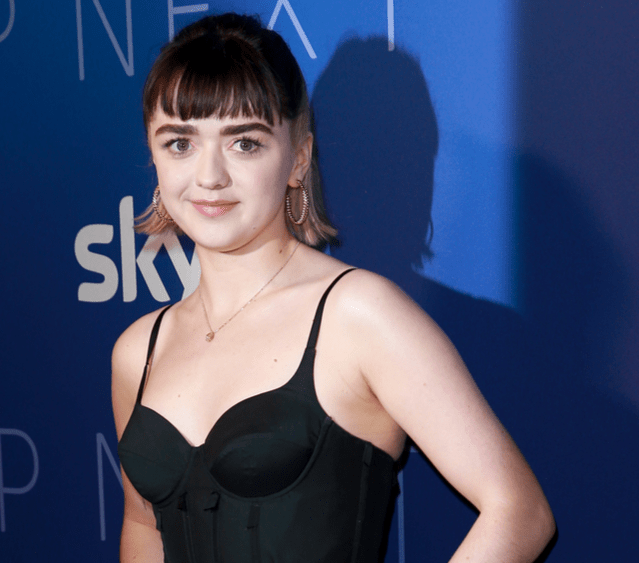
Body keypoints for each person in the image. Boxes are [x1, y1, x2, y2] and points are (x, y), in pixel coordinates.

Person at [112, 13, 554, 563]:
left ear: (297, 158)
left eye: (244, 142)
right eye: (180, 143)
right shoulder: (139, 350)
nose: (209, 176)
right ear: (154, 156)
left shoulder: (359, 316)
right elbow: (143, 525)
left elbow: (519, 510)